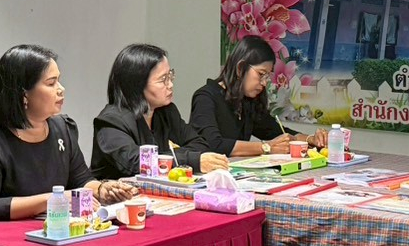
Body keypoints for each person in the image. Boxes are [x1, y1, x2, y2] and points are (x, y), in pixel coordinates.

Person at [0, 44, 138, 224]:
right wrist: (52, 200)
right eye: (51, 83)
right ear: (24, 94)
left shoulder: (63, 128)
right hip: (9, 235)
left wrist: (102, 189)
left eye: (59, 81)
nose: (61, 89)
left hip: (56, 230)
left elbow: (81, 180)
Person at [92, 44, 228, 180]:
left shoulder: (166, 112)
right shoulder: (111, 121)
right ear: (137, 85)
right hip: (118, 192)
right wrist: (188, 159)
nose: (170, 85)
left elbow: (200, 145)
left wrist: (167, 156)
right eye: (163, 80)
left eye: (170, 76)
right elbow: (136, 163)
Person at [189, 35, 326, 156]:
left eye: (267, 76)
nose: (264, 83)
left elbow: (277, 131)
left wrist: (310, 139)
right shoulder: (205, 97)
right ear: (240, 68)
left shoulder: (247, 101)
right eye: (261, 74)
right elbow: (213, 144)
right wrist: (266, 147)